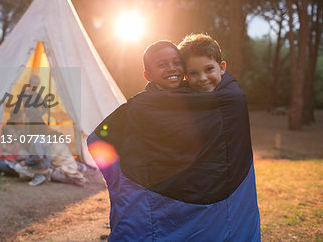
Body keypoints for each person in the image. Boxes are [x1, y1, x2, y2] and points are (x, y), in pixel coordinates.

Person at [87, 35, 260, 241]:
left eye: (176, 63)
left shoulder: (222, 101)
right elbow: (97, 139)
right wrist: (123, 181)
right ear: (147, 74)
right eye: (162, 65)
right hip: (160, 199)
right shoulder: (139, 107)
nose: (171, 69)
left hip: (212, 201)